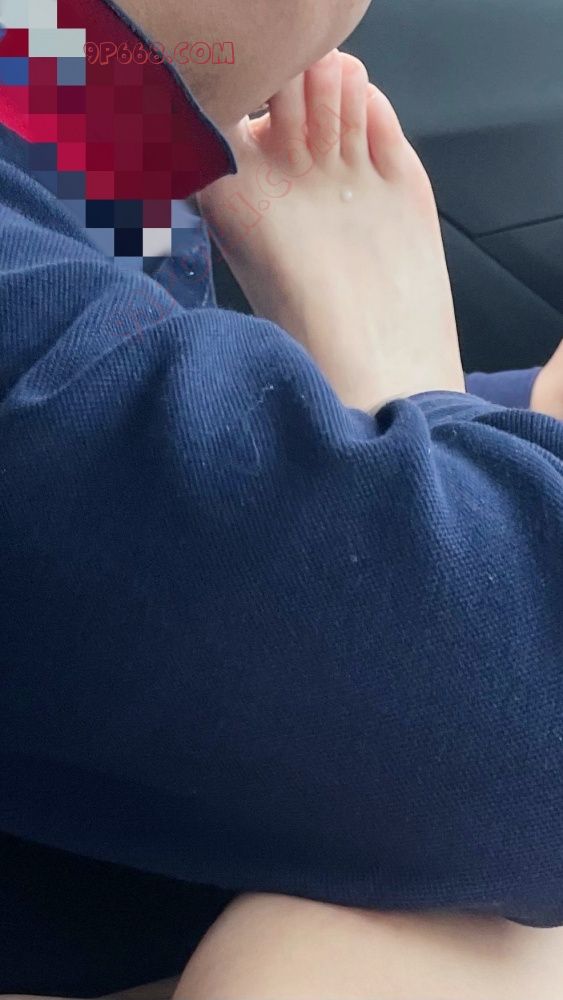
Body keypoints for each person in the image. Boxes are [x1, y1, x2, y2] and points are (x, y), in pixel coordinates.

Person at [1, 0, 563, 996]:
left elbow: (177, 426)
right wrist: (408, 384)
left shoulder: (55, 81)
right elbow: (522, 736)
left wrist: (489, 418)